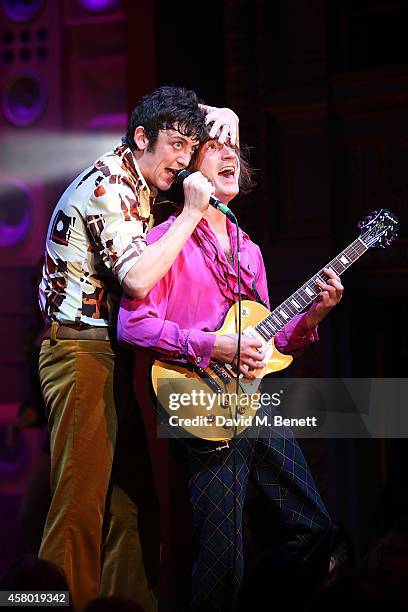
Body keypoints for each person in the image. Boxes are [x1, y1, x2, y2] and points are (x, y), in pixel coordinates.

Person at [118, 129, 344, 611]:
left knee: (316, 529)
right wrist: (212, 346)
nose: (230, 155)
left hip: (253, 404)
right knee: (223, 561)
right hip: (197, 402)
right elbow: (133, 325)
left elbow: (266, 341)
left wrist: (312, 317)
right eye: (215, 149)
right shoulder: (166, 240)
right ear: (191, 172)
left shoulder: (249, 250)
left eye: (234, 151)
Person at [38, 85, 239, 612]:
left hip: (109, 354)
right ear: (141, 138)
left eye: (188, 145)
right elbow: (139, 280)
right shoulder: (109, 186)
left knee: (133, 507)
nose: (183, 158)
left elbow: (210, 137)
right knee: (79, 506)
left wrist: (225, 114)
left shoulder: (143, 174)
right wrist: (194, 213)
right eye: (175, 144)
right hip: (78, 354)